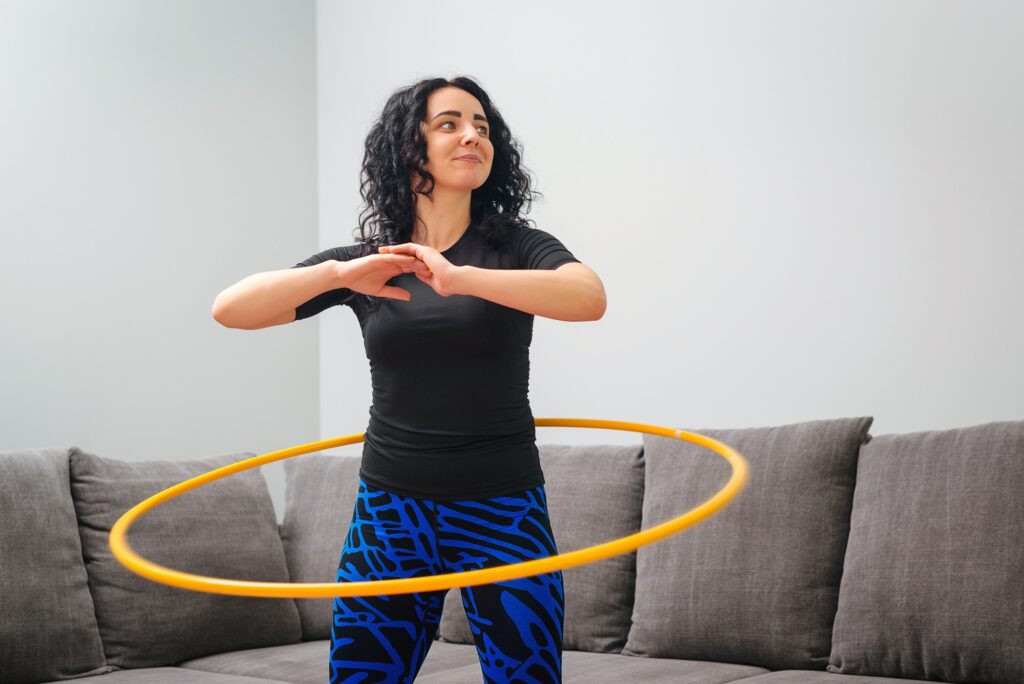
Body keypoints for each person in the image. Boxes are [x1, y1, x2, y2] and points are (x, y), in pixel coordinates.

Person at [212, 75, 606, 684]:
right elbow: (230, 309)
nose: (472, 134)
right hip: (390, 511)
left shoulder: (516, 246)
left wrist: (462, 278)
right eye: (449, 123)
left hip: (503, 507)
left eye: (482, 125)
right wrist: (339, 272)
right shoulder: (373, 265)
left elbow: (588, 297)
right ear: (410, 148)